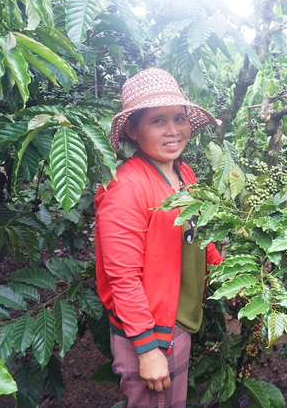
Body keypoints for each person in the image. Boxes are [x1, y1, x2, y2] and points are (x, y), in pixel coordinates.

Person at [95, 68, 223, 407]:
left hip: (175, 316)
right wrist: (147, 349)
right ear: (134, 131)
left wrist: (225, 273)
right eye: (157, 121)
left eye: (179, 118)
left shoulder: (185, 173)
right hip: (150, 330)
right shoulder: (125, 189)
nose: (173, 131)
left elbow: (197, 233)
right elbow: (122, 277)